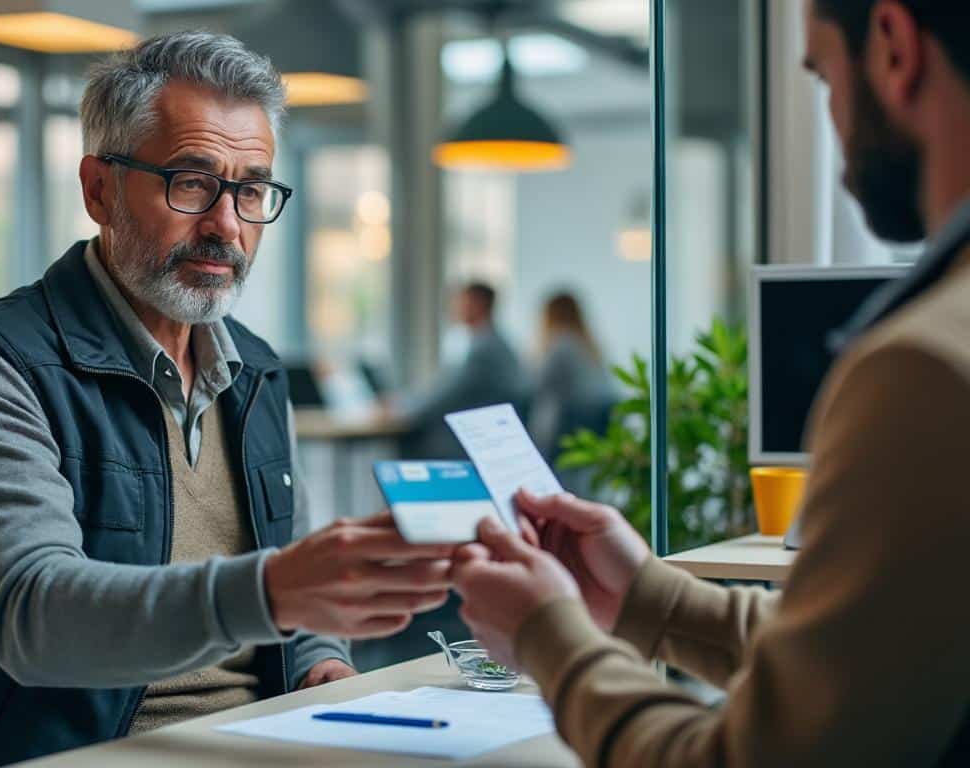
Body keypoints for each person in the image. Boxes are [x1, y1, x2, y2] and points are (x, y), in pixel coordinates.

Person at [0, 32, 456, 767]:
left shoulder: (257, 371)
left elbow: (293, 588)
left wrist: (324, 667)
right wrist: (273, 590)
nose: (227, 226)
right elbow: (35, 621)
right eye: (191, 182)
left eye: (251, 189)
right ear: (99, 189)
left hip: (258, 743)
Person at [452, 1, 970, 764]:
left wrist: (548, 640)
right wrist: (652, 601)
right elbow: (863, 667)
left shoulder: (924, 370)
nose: (831, 120)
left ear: (893, 48)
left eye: (824, 73)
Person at [396, 282, 532, 458]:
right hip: (486, 433)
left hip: (483, 439)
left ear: (478, 304)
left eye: (460, 301)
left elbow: (445, 395)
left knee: (413, 441)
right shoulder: (487, 341)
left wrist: (400, 408)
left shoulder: (486, 349)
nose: (454, 307)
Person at [528, 291, 614, 461]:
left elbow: (535, 385)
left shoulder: (562, 345)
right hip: (594, 429)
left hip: (567, 430)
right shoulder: (586, 345)